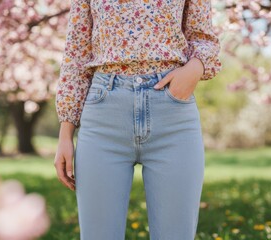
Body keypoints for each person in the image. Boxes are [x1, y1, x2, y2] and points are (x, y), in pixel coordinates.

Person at [54, 0, 221, 239]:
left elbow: (204, 38)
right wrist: (65, 134)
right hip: (104, 117)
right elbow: (76, 54)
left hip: (172, 114)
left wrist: (194, 69)